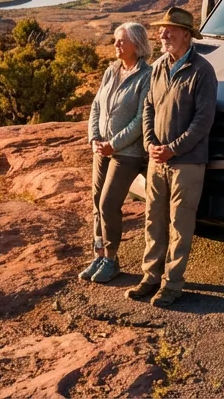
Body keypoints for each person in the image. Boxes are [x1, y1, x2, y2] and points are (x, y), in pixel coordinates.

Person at [125, 6, 217, 308]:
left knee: (180, 225)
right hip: (157, 160)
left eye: (170, 30)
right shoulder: (160, 66)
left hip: (186, 163)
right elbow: (148, 107)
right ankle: (150, 278)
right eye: (162, 30)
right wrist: (151, 143)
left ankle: (172, 284)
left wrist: (173, 148)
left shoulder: (203, 71)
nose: (162, 35)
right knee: (153, 221)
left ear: (187, 35)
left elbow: (203, 121)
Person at [80, 22, 153, 284]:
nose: (116, 45)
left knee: (108, 203)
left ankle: (111, 260)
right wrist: (94, 138)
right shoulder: (111, 70)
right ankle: (99, 254)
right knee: (96, 202)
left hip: (127, 152)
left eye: (121, 41)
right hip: (102, 148)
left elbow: (140, 120)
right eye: (115, 40)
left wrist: (114, 143)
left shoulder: (147, 76)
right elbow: (96, 106)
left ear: (137, 44)